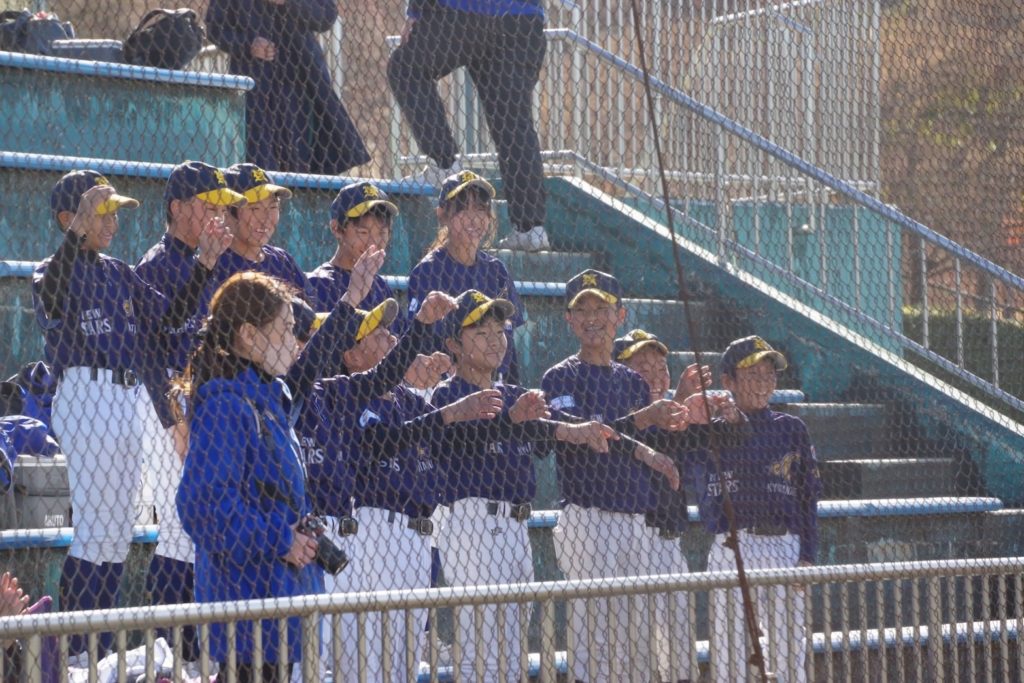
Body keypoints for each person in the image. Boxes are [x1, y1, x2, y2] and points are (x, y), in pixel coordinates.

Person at [32, 171, 231, 656]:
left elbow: (168, 320)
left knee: (116, 536)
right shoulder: (53, 268)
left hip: (125, 396)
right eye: (101, 213)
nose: (112, 222)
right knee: (95, 532)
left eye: (113, 213)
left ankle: (97, 649)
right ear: (69, 218)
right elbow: (52, 293)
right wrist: (75, 235)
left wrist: (204, 266)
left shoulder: (119, 271)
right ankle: (77, 649)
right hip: (86, 391)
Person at [432, 290, 619, 682]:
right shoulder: (448, 394)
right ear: (454, 344)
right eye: (480, 333)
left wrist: (577, 431)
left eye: (499, 331)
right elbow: (456, 443)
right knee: (479, 644)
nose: (495, 340)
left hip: (517, 524)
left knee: (514, 649)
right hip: (472, 523)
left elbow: (544, 429)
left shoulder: (513, 395)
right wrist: (513, 421)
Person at [541, 269, 689, 683]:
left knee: (637, 642)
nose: (593, 318)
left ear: (620, 315)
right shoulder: (560, 376)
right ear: (569, 319)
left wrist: (653, 449)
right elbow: (587, 437)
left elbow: (624, 438)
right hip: (588, 518)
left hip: (635, 520)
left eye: (602, 308)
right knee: (595, 642)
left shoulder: (632, 383)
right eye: (582, 309)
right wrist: (642, 423)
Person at [175, 272, 323, 682]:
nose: (295, 341)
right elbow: (202, 507)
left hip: (276, 612)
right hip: (249, 615)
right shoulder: (226, 407)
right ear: (249, 336)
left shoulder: (267, 401)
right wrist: (281, 539)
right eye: (286, 329)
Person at [133, 160, 247, 659]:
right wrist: (173, 421)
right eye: (207, 206)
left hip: (208, 401)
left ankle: (194, 647)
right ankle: (171, 648)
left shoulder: (221, 262)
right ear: (178, 208)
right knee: (179, 531)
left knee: (200, 527)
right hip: (166, 401)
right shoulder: (155, 265)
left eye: (223, 208)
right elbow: (152, 347)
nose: (217, 216)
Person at [697, 336, 822, 683]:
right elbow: (709, 495)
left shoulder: (791, 428)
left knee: (790, 648)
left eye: (769, 374)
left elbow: (808, 498)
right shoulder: (713, 431)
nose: (763, 382)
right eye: (752, 375)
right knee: (730, 650)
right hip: (734, 543)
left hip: (785, 544)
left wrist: (807, 555)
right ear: (729, 381)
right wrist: (729, 424)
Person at [387, 0, 550, 251]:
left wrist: (417, 11)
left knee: (405, 67)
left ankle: (444, 163)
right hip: (521, 20)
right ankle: (531, 228)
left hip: (462, 13)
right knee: (514, 122)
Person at [613, 329, 712, 683]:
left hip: (671, 542)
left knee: (680, 653)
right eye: (643, 369)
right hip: (633, 542)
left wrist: (689, 407)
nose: (655, 377)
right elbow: (641, 440)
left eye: (661, 369)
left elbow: (689, 460)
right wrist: (680, 400)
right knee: (636, 655)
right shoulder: (619, 419)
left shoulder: (673, 416)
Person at [204, 0, 369, 174]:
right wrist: (248, 44)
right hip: (255, 84)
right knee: (260, 156)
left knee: (302, 157)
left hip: (301, 80)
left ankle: (301, 189)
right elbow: (215, 28)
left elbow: (326, 16)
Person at [408, 171, 526, 383]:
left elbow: (509, 345)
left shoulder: (496, 270)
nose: (473, 218)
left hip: (495, 383)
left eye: (480, 209)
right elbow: (420, 341)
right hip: (446, 383)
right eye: (462, 209)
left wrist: (513, 389)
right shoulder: (428, 271)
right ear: (442, 215)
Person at [307, 181, 399, 314]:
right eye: (363, 233)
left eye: (382, 233)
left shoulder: (381, 287)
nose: (373, 243)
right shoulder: (319, 284)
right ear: (336, 228)